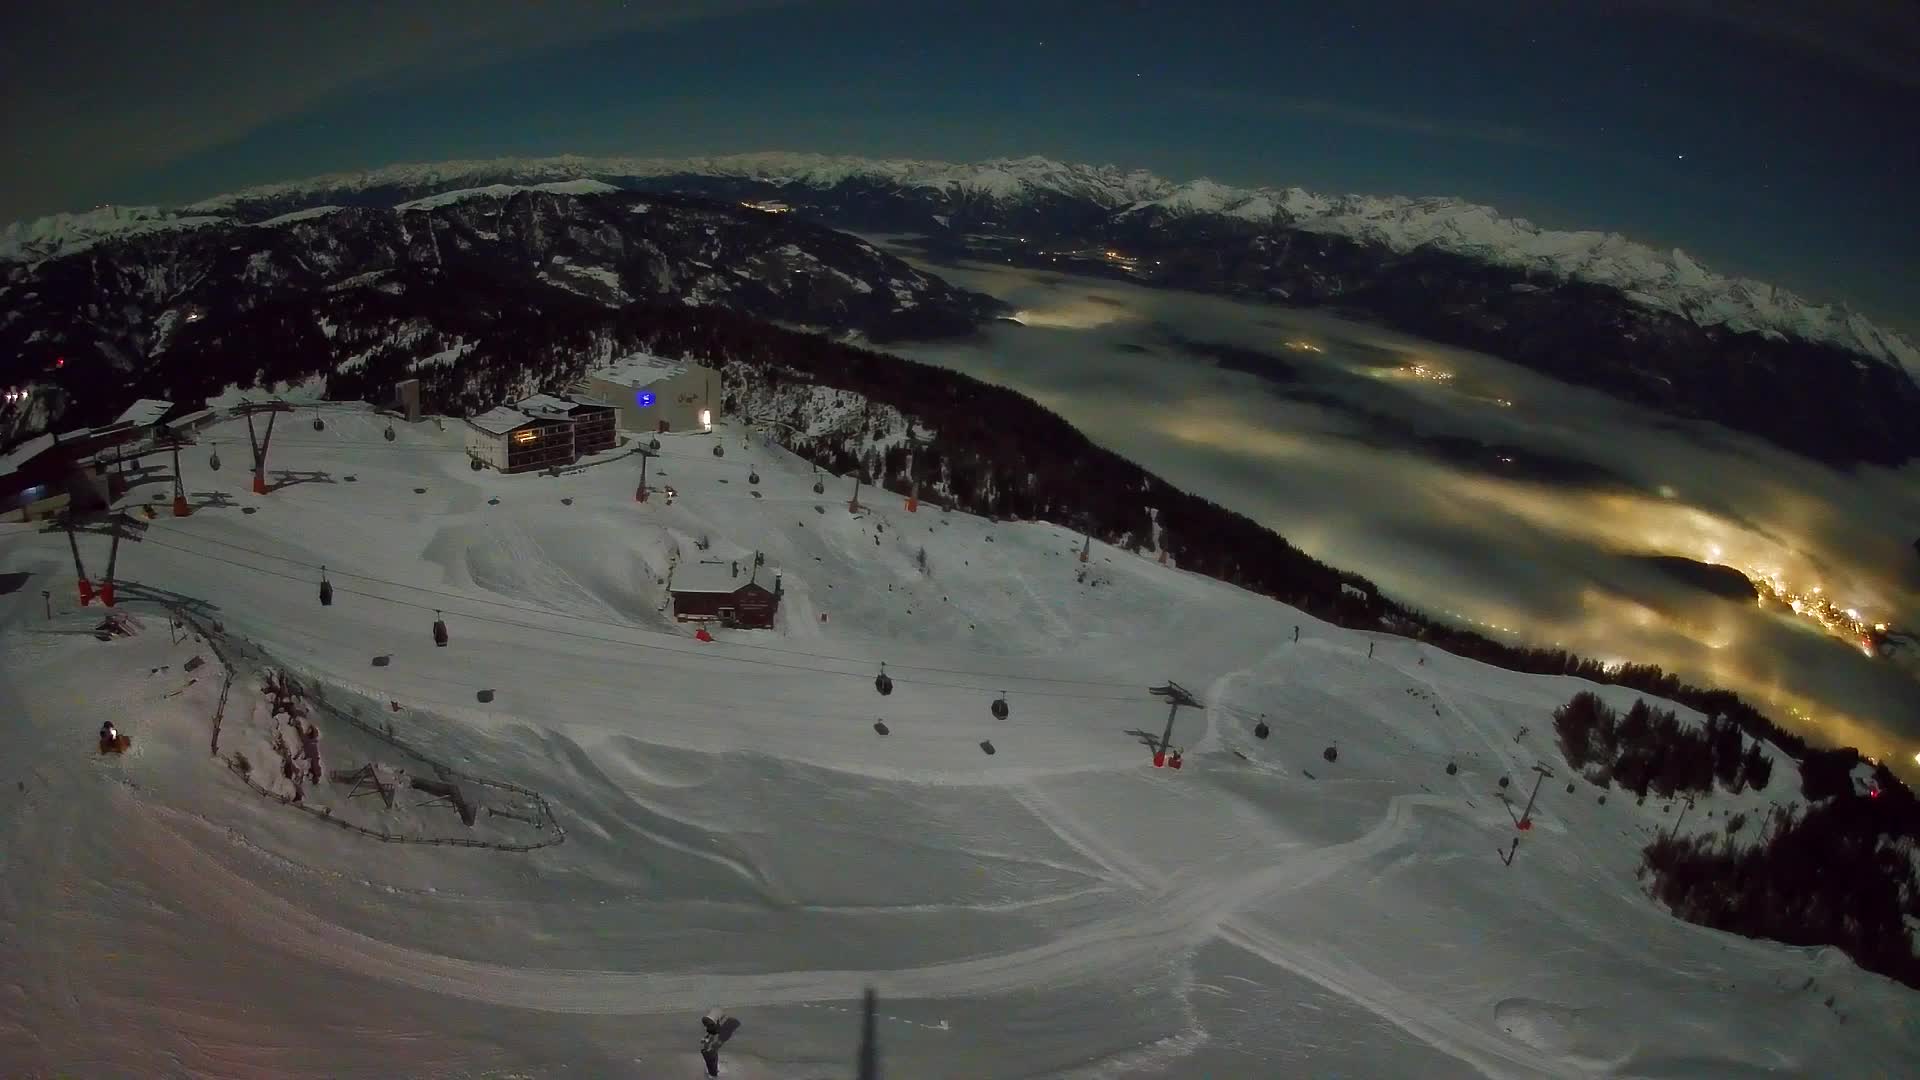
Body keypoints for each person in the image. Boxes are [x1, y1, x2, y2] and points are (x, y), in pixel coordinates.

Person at [700, 1010, 728, 1077]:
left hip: (713, 1028)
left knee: (710, 1054)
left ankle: (712, 1073)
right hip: (713, 1028)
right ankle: (713, 1073)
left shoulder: (709, 1023)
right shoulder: (712, 1026)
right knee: (711, 1055)